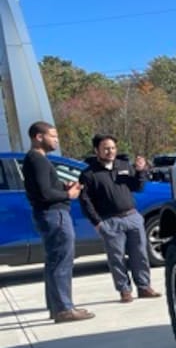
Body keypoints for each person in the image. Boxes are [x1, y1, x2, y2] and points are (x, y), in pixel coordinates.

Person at [22, 121, 95, 323]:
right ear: (39, 137)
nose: (56, 140)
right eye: (52, 136)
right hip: (54, 215)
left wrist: (62, 186)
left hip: (51, 214)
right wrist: (67, 193)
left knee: (55, 262)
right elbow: (45, 193)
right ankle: (63, 308)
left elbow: (44, 187)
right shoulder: (37, 159)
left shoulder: (37, 160)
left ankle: (58, 307)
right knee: (61, 262)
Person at [78, 133, 161, 303]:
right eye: (106, 148)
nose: (110, 151)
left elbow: (137, 187)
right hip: (110, 221)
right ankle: (124, 290)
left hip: (132, 217)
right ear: (97, 150)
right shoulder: (89, 174)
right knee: (116, 258)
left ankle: (144, 287)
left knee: (140, 254)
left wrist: (140, 171)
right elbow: (85, 201)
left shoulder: (123, 165)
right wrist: (97, 223)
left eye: (113, 148)